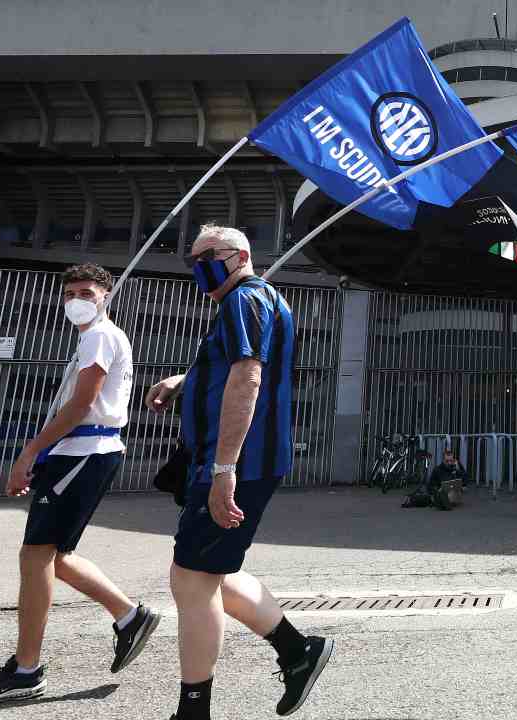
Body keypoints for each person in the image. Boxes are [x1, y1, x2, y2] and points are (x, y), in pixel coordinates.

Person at [144, 224, 332, 720]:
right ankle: (298, 652)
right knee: (210, 572)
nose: (198, 266)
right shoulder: (258, 300)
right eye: (192, 260)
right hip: (242, 460)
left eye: (208, 256)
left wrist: (224, 467)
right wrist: (184, 380)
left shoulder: (243, 300)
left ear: (240, 255)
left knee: (191, 578)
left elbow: (248, 375)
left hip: (234, 463)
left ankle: (194, 708)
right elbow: (239, 367)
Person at [0, 264, 160, 706]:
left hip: (86, 453)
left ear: (105, 295)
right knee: (55, 557)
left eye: (86, 291)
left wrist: (29, 452)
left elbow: (83, 402)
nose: (76, 299)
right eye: (69, 292)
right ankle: (130, 617)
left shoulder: (101, 336)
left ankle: (26, 669)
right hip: (77, 454)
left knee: (36, 557)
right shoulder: (92, 338)